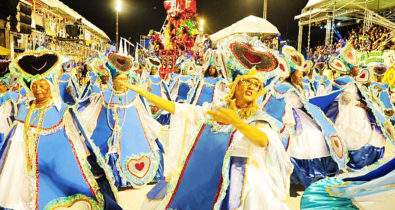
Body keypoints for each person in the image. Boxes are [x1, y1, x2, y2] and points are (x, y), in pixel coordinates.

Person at [124, 69, 293, 209]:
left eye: (257, 85)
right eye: (248, 81)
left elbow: (264, 141)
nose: (252, 87)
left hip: (238, 176)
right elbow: (180, 109)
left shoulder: (258, 117)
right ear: (236, 84)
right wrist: (143, 93)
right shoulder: (216, 110)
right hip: (205, 170)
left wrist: (236, 122)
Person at [0, 50, 119, 209]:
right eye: (34, 86)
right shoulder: (24, 110)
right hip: (31, 170)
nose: (38, 90)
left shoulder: (62, 109)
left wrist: (84, 161)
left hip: (62, 166)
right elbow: (15, 144)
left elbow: (76, 139)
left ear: (50, 86)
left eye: (42, 85)